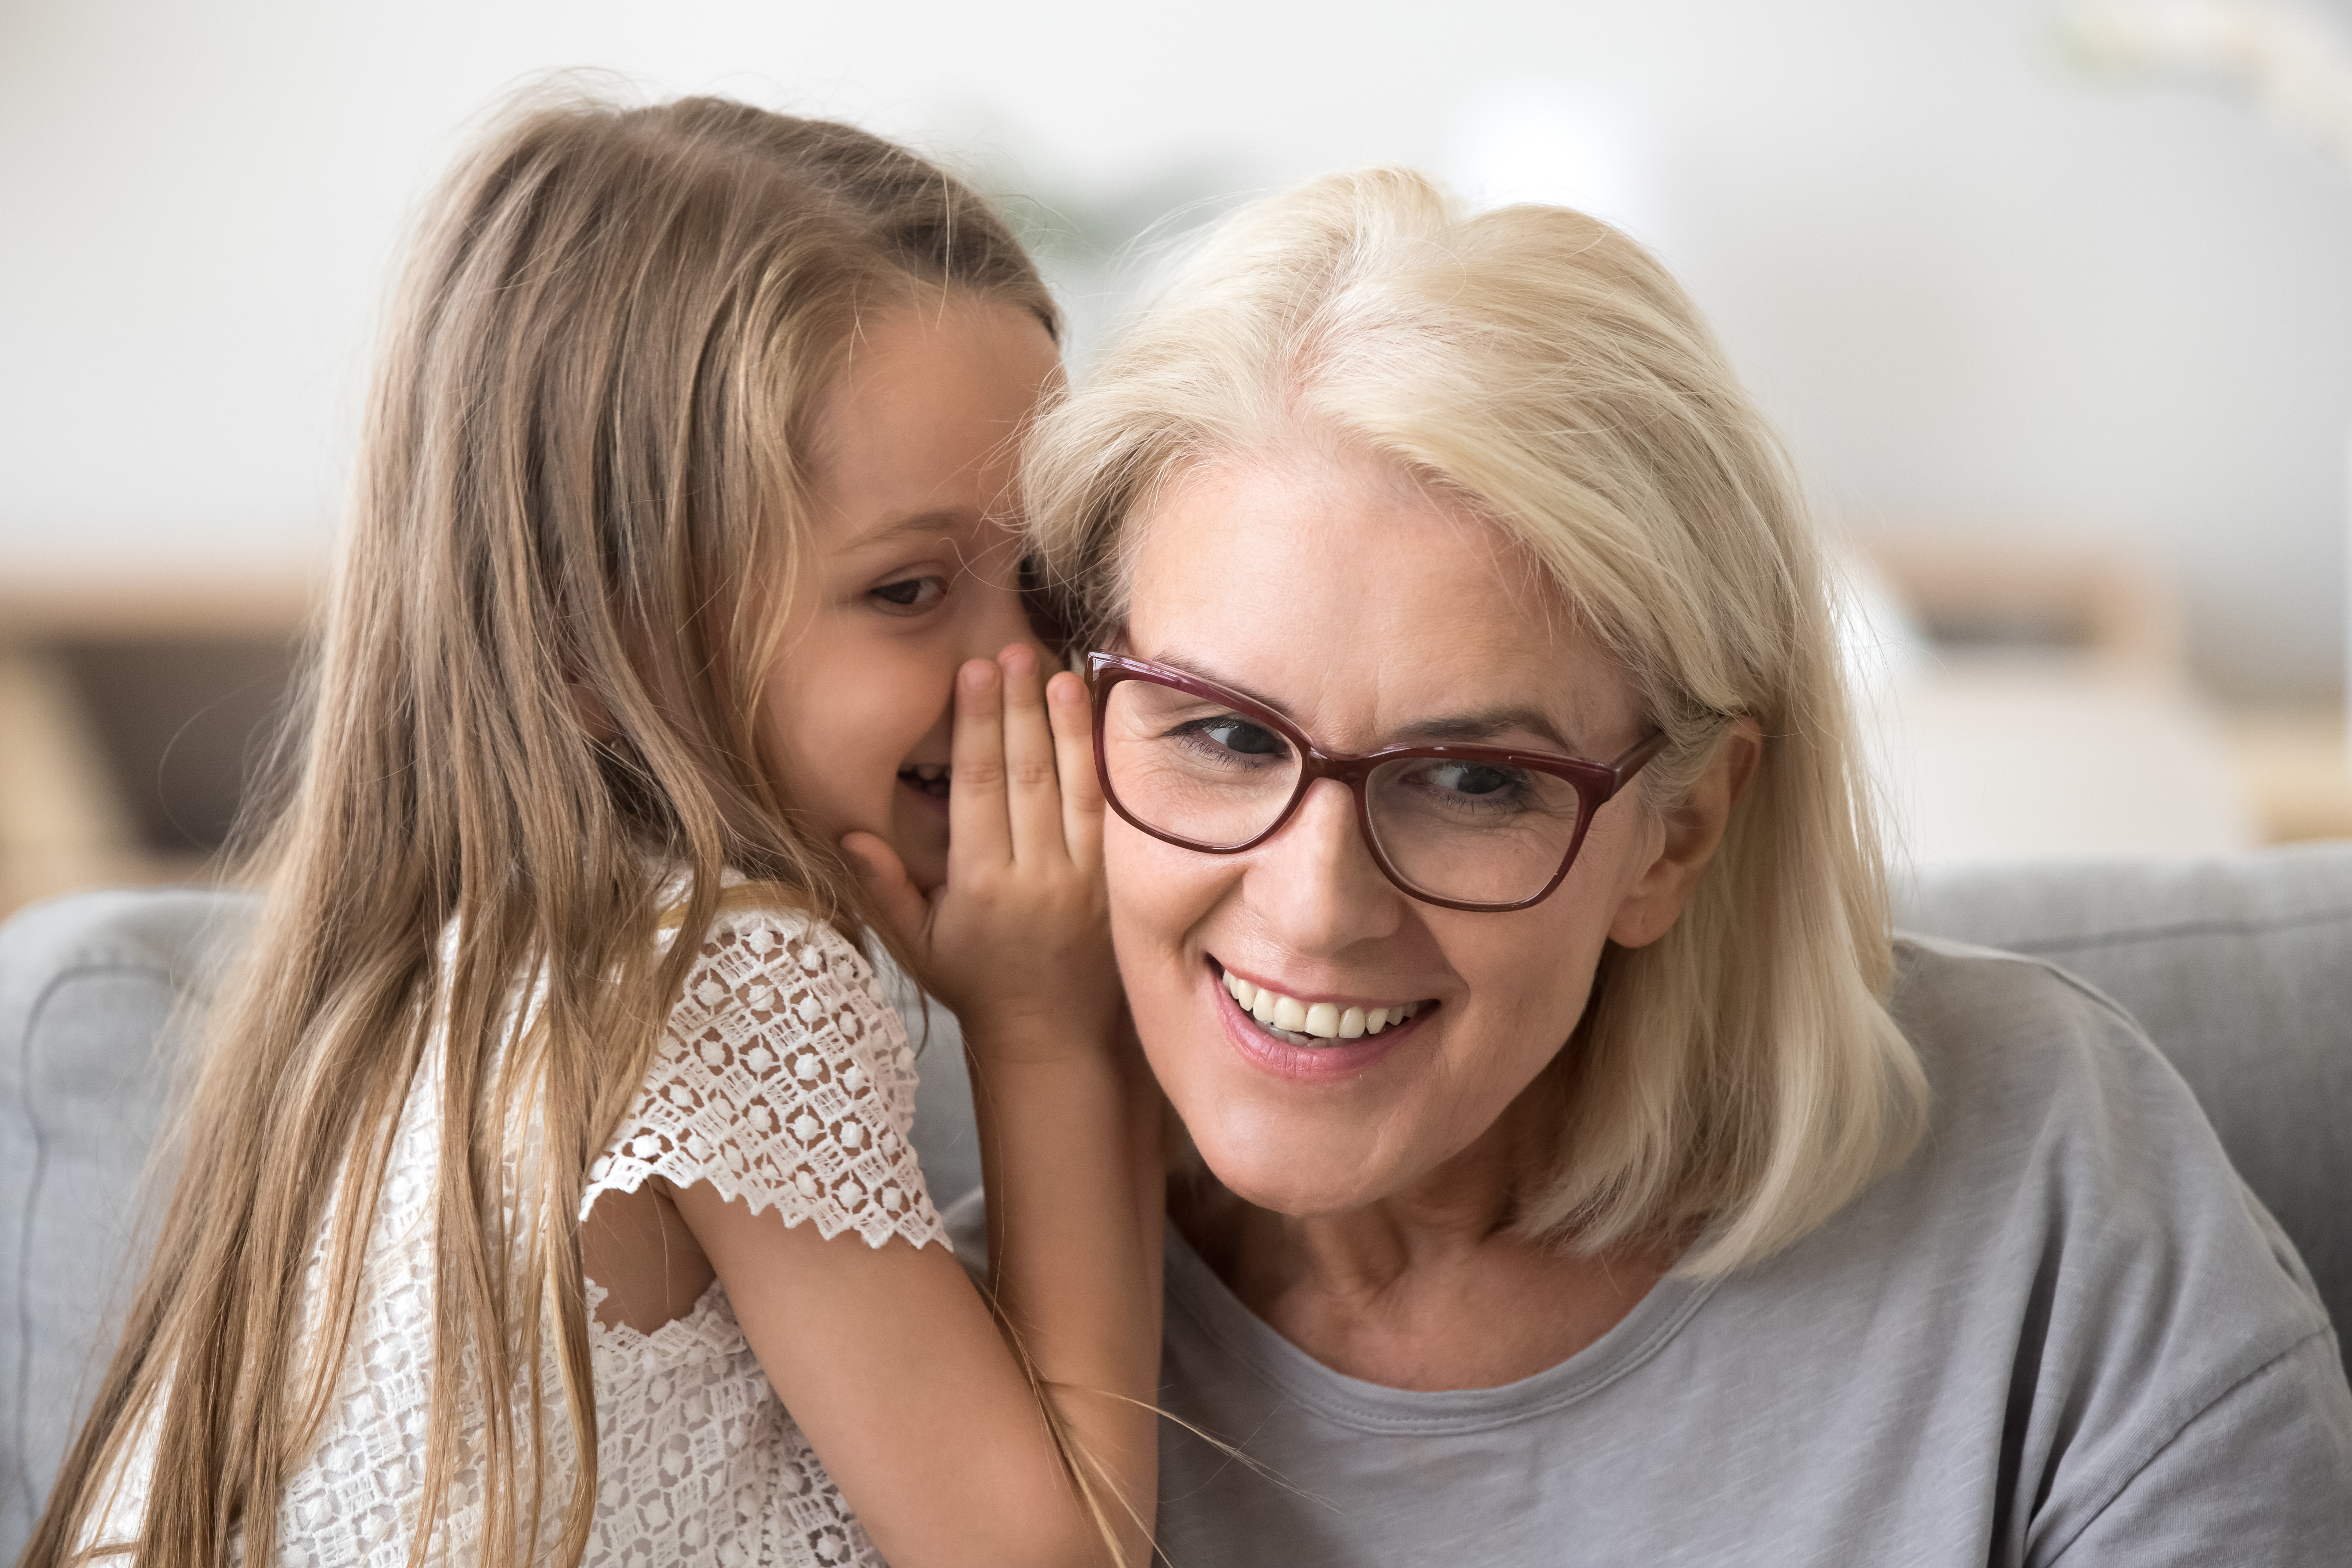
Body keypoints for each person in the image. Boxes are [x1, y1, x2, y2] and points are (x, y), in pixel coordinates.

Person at [1020, 167, 2352, 1563]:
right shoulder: (929, 1340)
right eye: (1225, 735)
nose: (1316, 904)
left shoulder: (2051, 1190)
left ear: (1681, 830)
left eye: (1477, 780)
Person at [25, 93, 1160, 1568]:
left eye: (1049, 577)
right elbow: (1053, 1557)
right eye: (907, 590)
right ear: (590, 644)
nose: (1029, 670)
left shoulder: (439, 981)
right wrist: (1050, 1029)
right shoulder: (725, 970)